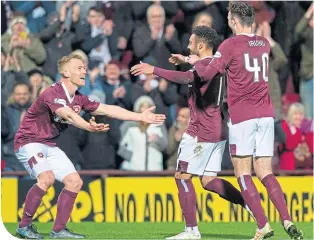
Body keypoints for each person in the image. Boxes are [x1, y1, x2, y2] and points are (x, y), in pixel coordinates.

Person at [14, 53, 166, 239]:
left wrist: (140, 116)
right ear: (66, 73)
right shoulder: (51, 92)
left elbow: (110, 109)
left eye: (84, 67)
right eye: (79, 67)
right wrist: (87, 126)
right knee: (46, 178)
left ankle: (58, 230)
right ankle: (24, 226)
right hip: (28, 141)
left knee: (75, 182)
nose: (84, 71)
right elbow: (68, 114)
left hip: (48, 143)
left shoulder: (79, 98)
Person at [185, 2, 303, 239]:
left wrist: (192, 63)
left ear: (235, 21)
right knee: (266, 172)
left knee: (243, 173)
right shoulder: (263, 43)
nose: (227, 21)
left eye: (229, 18)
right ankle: (287, 220)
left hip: (243, 116)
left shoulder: (230, 45)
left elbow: (209, 72)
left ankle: (263, 226)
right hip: (267, 114)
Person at [131, 26, 252, 240]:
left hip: (201, 130)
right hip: (219, 129)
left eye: (191, 42)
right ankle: (246, 202)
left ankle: (191, 231)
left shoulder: (203, 67)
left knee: (183, 177)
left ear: (201, 45)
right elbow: (201, 66)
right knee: (208, 180)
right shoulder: (217, 62)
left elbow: (188, 78)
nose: (188, 46)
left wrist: (154, 70)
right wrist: (188, 59)